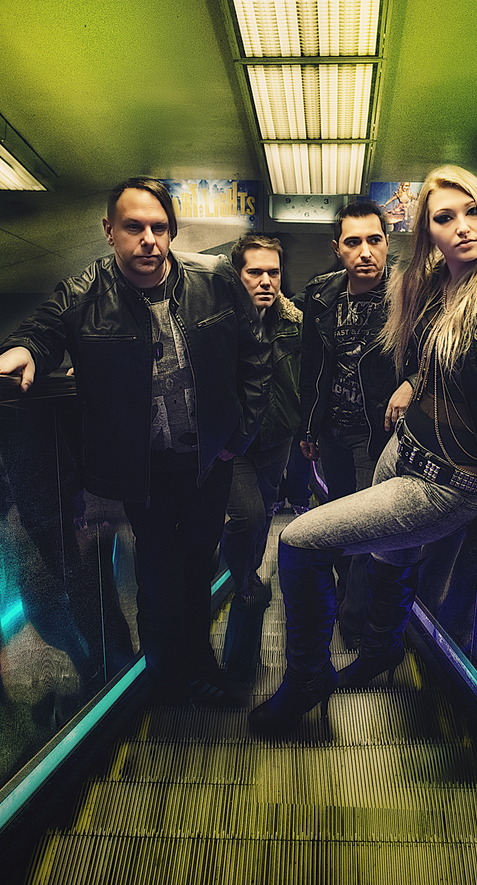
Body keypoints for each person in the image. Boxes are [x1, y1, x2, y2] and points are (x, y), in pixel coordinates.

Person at [249, 165, 477, 734]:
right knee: (389, 560)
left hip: (446, 481)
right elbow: (430, 358)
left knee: (297, 543)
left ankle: (306, 678)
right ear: (428, 232)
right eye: (446, 217)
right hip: (402, 448)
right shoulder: (434, 287)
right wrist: (411, 382)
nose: (463, 226)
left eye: (473, 212)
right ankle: (381, 650)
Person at [0, 178, 270, 708]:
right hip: (144, 471)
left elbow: (255, 354)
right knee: (158, 575)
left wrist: (239, 436)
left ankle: (197, 659)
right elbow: (44, 330)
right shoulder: (84, 293)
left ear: (172, 231)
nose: (148, 240)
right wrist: (25, 350)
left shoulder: (215, 280)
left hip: (210, 460)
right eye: (134, 227)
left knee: (199, 564)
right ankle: (167, 676)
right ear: (109, 231)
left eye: (159, 228)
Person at [295, 198, 400, 645]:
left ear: (387, 242)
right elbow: (311, 366)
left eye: (374, 240)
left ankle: (354, 622)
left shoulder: (405, 294)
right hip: (332, 431)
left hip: (374, 433)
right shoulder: (321, 295)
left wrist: (411, 383)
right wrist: (308, 428)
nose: (365, 252)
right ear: (337, 248)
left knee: (364, 526)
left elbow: (428, 356)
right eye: (353, 242)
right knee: (337, 515)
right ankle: (344, 598)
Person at [219, 234, 302, 684]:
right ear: (237, 275)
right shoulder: (219, 320)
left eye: (273, 272)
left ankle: (248, 580)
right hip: (235, 445)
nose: (266, 281)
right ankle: (244, 581)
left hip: (276, 440)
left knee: (265, 513)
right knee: (247, 517)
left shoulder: (295, 324)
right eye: (255, 272)